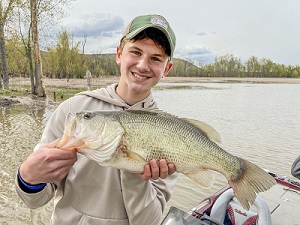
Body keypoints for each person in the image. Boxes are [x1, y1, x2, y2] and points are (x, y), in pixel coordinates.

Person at [16, 14, 178, 225]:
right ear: (119, 54)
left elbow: (148, 222)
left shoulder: (171, 133)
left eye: (155, 58)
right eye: (135, 52)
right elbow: (35, 200)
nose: (142, 65)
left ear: (166, 69)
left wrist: (135, 173)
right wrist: (28, 178)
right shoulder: (74, 110)